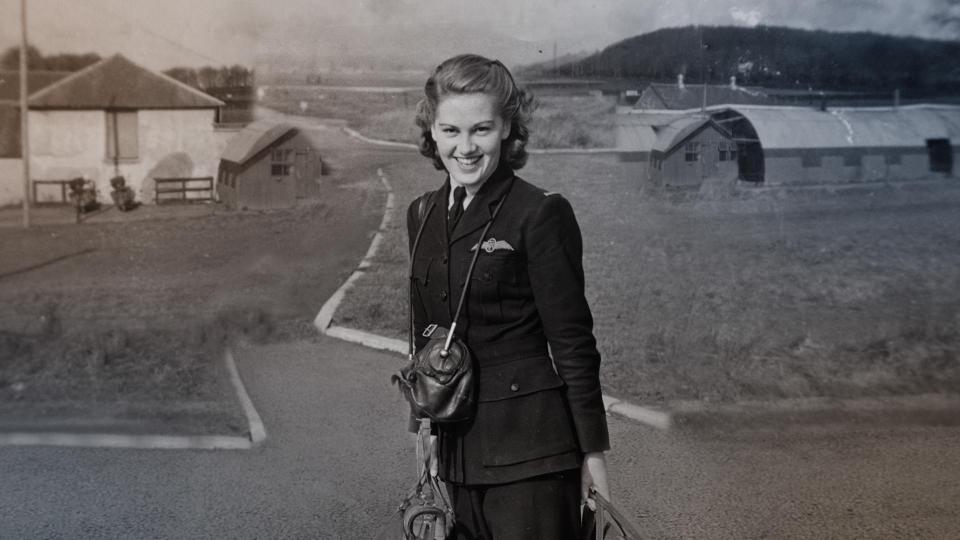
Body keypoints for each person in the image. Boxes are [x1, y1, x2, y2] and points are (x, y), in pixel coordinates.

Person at [406, 53, 610, 539]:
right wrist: (426, 426)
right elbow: (425, 333)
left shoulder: (539, 214)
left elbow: (573, 342)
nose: (466, 147)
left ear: (507, 130)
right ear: (432, 131)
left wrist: (594, 453)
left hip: (532, 456)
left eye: (482, 129)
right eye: (451, 130)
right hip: (456, 453)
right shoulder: (421, 214)